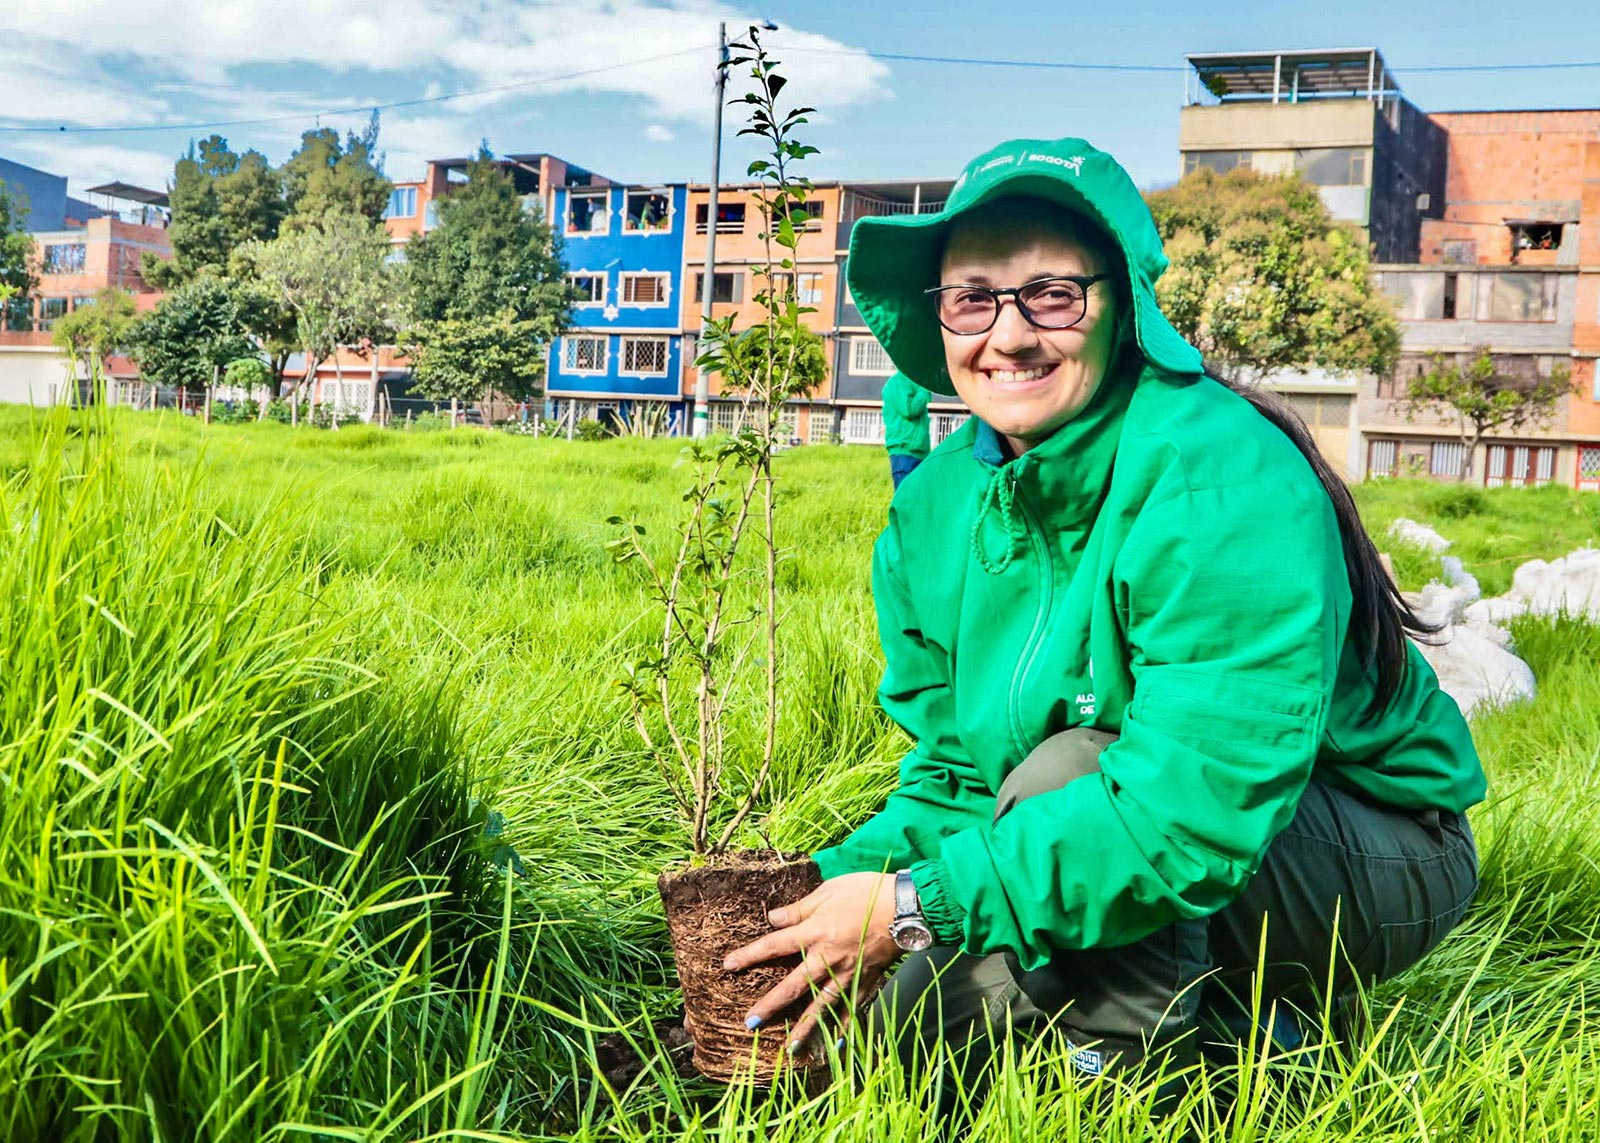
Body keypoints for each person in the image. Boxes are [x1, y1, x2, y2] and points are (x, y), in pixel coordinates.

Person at [724, 137, 1485, 1110]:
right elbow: (961, 774)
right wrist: (813, 898)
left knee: (1070, 778)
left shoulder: (1217, 474)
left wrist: (917, 904)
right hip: (1132, 807)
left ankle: (1137, 1091)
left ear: (1120, 301)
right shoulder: (937, 509)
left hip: (1362, 846)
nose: (1007, 335)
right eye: (971, 297)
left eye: (1051, 293)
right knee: (903, 1034)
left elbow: (1189, 804)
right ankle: (1252, 1026)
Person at [881, 370, 932, 490]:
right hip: (904, 451)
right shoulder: (898, 382)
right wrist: (924, 389)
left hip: (919, 453)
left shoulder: (913, 382)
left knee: (916, 502)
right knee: (904, 501)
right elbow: (909, 409)